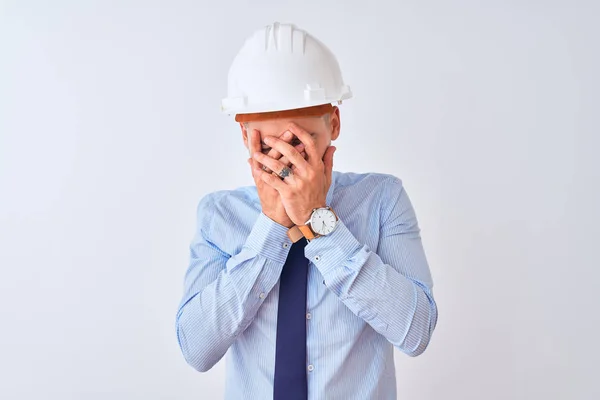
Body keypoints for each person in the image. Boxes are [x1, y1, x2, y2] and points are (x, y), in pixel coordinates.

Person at [175, 22, 438, 400]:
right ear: (245, 137)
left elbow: (416, 332)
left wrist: (320, 222)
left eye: (300, 144)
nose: (287, 165)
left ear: (334, 123)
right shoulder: (220, 215)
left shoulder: (382, 199)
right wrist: (270, 228)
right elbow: (195, 349)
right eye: (269, 148)